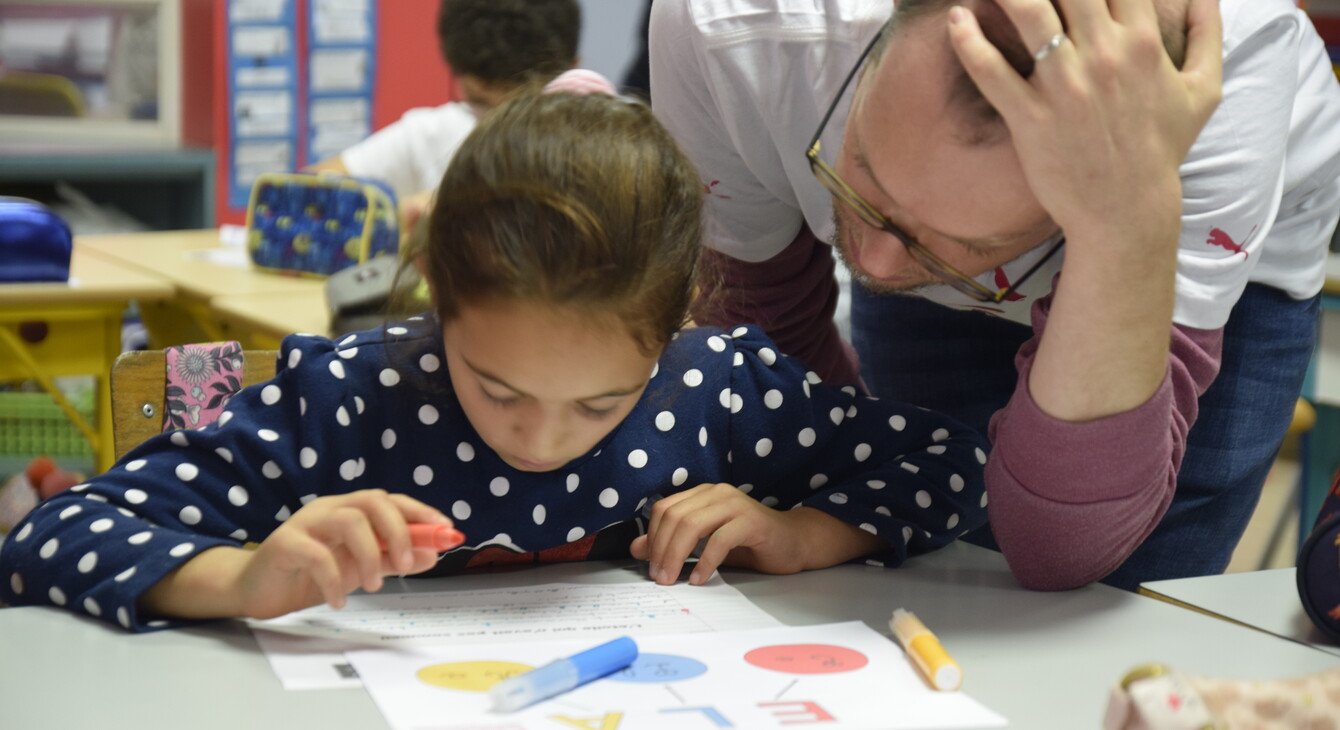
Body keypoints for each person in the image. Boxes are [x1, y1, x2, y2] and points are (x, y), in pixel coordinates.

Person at [0, 88, 989, 631]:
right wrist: (246, 577)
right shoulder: (351, 401)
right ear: (434, 292)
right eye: (496, 387)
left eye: (604, 400)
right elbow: (56, 532)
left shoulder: (712, 387)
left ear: (675, 323)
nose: (541, 439)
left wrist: (803, 531)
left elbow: (951, 467)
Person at [650, 0, 1340, 591]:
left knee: (1106, 615)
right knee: (919, 572)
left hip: (1214, 252)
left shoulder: (1227, 78)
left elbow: (1064, 551)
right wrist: (826, 508)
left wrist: (1124, 225)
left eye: (973, 244)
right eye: (862, 169)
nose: (877, 262)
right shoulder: (728, 26)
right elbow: (774, 349)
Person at [305, 0, 580, 205]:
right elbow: (298, 194)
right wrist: (392, 218)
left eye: (525, 106)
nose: (500, 125)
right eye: (478, 103)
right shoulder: (430, 135)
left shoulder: (598, 144)